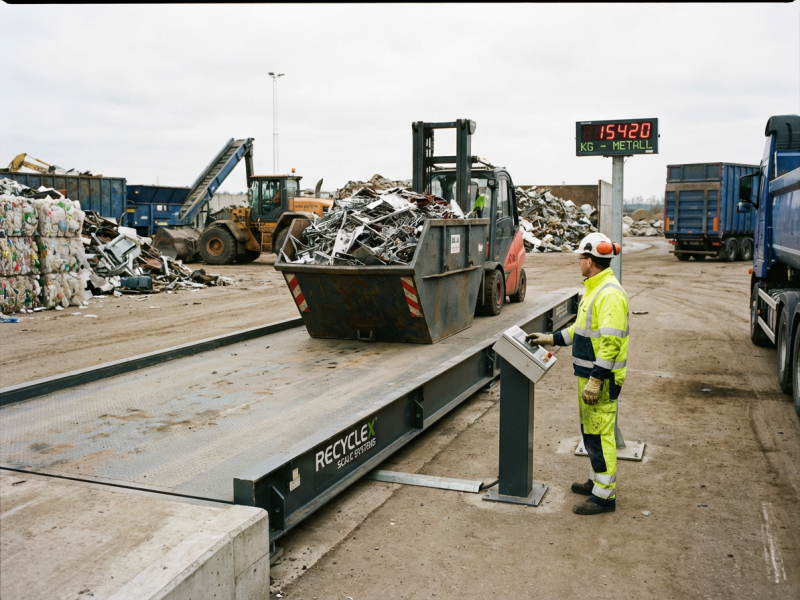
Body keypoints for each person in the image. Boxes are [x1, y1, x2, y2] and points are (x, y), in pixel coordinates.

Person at [526, 232, 629, 515]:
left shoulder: (609, 294)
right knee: (591, 432)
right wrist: (551, 338)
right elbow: (580, 331)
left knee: (601, 435)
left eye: (581, 258)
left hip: (601, 379)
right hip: (590, 376)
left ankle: (604, 497)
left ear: (590, 261)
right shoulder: (596, 288)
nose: (579, 263)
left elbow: (610, 344)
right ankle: (597, 482)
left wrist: (596, 380)